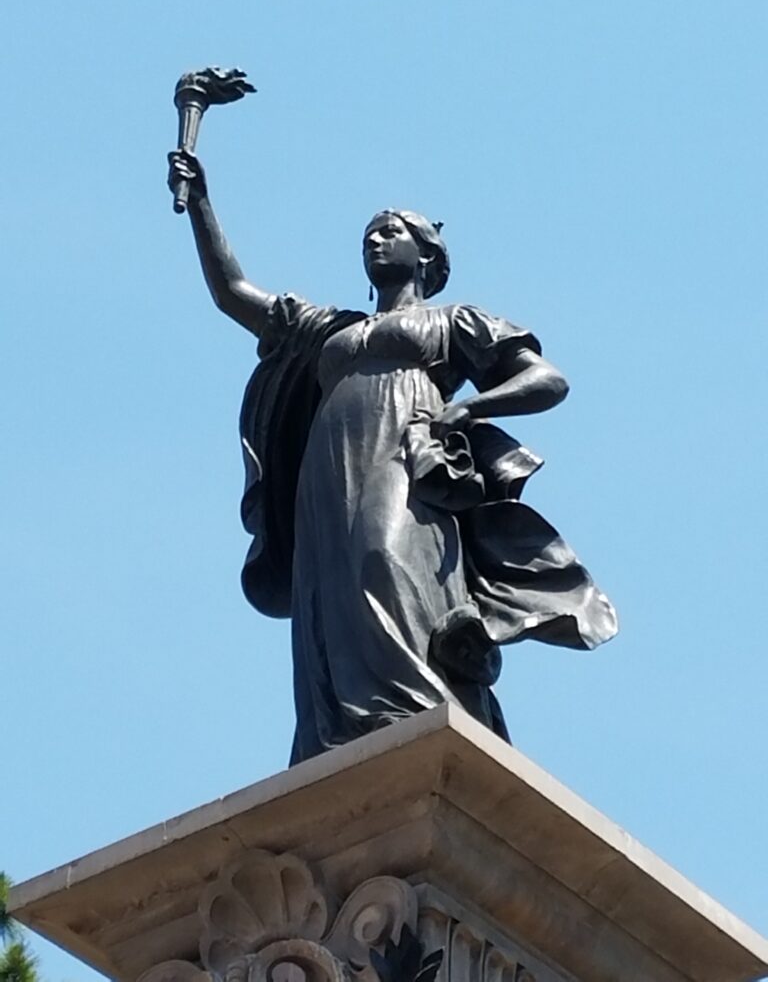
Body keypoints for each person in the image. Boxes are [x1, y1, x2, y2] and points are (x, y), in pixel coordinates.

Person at [168, 151, 618, 764]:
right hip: (326, 471)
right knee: (329, 592)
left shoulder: (453, 321)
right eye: (369, 236)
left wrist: (470, 409)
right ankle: (338, 734)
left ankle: (414, 710)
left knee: (386, 559)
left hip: (407, 452)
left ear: (427, 255)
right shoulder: (331, 329)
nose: (376, 241)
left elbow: (547, 380)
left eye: (391, 231)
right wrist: (200, 201)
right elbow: (234, 293)